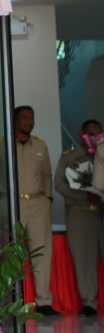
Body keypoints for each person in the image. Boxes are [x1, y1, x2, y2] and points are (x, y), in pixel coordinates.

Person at [54, 119, 104, 316]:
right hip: (80, 211)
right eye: (91, 133)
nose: (95, 138)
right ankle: (89, 301)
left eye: (99, 134)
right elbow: (59, 184)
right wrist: (84, 196)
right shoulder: (70, 157)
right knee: (84, 258)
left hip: (101, 212)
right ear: (81, 134)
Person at [13, 105, 58, 316]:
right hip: (15, 204)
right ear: (15, 120)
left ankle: (44, 301)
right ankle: (11, 302)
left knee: (41, 252)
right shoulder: (3, 144)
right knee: (11, 253)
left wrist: (48, 199)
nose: (29, 122)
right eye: (24, 118)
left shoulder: (40, 144)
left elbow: (47, 174)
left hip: (39, 203)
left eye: (31, 118)